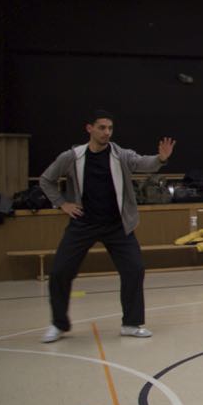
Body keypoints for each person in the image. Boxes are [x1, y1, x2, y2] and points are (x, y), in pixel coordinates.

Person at [38, 110, 175, 343]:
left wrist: (160, 159)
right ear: (89, 128)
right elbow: (46, 180)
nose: (107, 132)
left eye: (110, 128)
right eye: (102, 127)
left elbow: (143, 162)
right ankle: (58, 324)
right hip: (83, 224)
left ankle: (131, 323)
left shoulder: (120, 155)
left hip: (116, 226)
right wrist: (62, 203)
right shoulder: (72, 157)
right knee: (60, 271)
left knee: (134, 269)